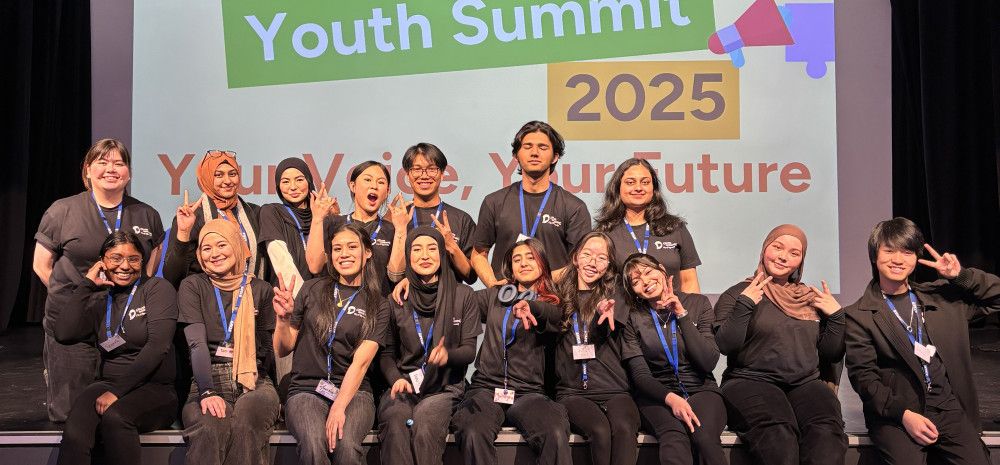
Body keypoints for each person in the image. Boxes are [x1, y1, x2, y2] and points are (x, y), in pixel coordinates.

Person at [845, 218, 1000, 465]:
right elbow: (864, 378)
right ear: (875, 256)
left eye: (907, 252)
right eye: (889, 250)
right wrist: (904, 415)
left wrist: (961, 276)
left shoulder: (941, 298)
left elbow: (996, 299)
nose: (898, 259)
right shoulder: (859, 314)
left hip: (948, 408)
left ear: (916, 257)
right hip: (897, 414)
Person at [34, 138, 164, 422]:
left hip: (125, 326)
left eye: (119, 163)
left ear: (128, 172)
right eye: (102, 162)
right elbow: (42, 266)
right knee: (72, 414)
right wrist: (75, 300)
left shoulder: (147, 214)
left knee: (116, 414)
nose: (111, 169)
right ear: (88, 170)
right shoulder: (62, 211)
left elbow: (150, 269)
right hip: (74, 326)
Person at [713, 224, 847, 465]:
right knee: (778, 435)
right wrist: (745, 305)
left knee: (827, 433)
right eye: (777, 247)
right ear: (765, 249)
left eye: (794, 253)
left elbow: (831, 353)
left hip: (805, 382)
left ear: (801, 262)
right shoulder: (738, 294)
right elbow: (725, 345)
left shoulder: (809, 298)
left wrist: (836, 317)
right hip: (750, 381)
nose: (784, 256)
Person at [52, 232, 177, 465]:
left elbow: (158, 346)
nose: (124, 266)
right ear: (102, 262)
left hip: (154, 388)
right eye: (115, 258)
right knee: (76, 431)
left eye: (133, 259)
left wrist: (117, 392)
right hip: (108, 384)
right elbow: (63, 334)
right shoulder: (101, 300)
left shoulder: (157, 289)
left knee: (116, 417)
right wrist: (86, 285)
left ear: (143, 261)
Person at [273, 223, 390, 465]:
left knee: (346, 447)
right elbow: (283, 348)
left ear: (367, 252)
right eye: (337, 248)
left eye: (351, 247)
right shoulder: (311, 289)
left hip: (355, 393)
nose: (343, 254)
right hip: (306, 390)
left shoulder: (378, 304)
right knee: (314, 444)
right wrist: (283, 320)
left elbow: (361, 362)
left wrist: (338, 407)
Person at [451, 238, 572, 465]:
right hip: (486, 389)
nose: (524, 263)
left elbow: (553, 316)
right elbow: (458, 300)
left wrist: (532, 306)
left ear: (542, 264)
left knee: (555, 432)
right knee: (473, 431)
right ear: (511, 269)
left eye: (530, 257)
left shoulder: (552, 302)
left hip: (528, 393)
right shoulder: (494, 296)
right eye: (517, 259)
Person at [178, 219, 279, 465]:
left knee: (246, 422)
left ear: (236, 245)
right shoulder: (193, 286)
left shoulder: (261, 289)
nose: (214, 254)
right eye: (206, 248)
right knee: (210, 426)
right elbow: (196, 344)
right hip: (207, 380)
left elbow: (268, 349)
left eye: (221, 245)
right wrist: (208, 391)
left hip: (254, 380)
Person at [377, 227, 481, 465]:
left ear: (442, 254)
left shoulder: (464, 296)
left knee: (424, 421)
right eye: (416, 249)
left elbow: (469, 350)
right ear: (408, 255)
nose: (425, 255)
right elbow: (387, 353)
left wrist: (448, 355)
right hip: (404, 385)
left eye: (432, 248)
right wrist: (395, 379)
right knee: (395, 420)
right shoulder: (396, 299)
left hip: (445, 387)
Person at [621, 253, 726, 465]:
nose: (646, 281)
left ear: (661, 269)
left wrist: (682, 314)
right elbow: (640, 376)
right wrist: (671, 399)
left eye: (649, 272)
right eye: (636, 280)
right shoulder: (633, 317)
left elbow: (708, 362)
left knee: (704, 437)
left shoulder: (697, 303)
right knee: (673, 437)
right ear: (633, 291)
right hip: (657, 396)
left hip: (701, 389)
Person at [551, 232, 640, 465]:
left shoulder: (617, 295)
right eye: (587, 254)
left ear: (609, 265)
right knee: (599, 431)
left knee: (624, 428)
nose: (593, 262)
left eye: (602, 257)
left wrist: (605, 311)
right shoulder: (557, 296)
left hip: (615, 389)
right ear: (575, 258)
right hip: (573, 392)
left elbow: (611, 319)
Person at [471, 121, 591, 287]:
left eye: (542, 147)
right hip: (505, 301)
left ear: (555, 156)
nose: (534, 153)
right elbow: (478, 254)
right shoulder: (494, 202)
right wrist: (494, 287)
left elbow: (580, 262)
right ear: (516, 155)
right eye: (527, 146)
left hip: (554, 303)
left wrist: (542, 285)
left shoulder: (573, 207)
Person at [258, 157, 320, 394]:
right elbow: (279, 258)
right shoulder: (271, 212)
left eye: (299, 179)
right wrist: (306, 303)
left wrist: (323, 217)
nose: (292, 186)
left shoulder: (322, 214)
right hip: (290, 306)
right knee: (289, 380)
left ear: (309, 181)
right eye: (285, 181)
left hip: (321, 311)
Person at [595, 158, 702, 292]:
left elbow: (689, 281)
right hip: (625, 312)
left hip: (671, 311)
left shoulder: (675, 228)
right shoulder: (604, 233)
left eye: (645, 182)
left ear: (653, 188)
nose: (638, 188)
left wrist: (688, 313)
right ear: (618, 188)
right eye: (630, 182)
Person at [163, 150, 263, 288]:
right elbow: (172, 277)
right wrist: (184, 232)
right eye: (218, 175)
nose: (227, 181)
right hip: (205, 300)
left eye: (232, 174)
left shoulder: (253, 212)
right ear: (207, 177)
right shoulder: (193, 216)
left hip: (249, 297)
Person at [305, 161, 404, 295]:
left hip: (379, 309)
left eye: (381, 182)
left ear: (387, 191)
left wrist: (401, 230)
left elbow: (395, 276)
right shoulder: (333, 223)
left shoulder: (392, 230)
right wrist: (317, 219)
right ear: (353, 186)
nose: (374, 186)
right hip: (337, 308)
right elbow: (314, 266)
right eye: (368, 180)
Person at [401, 143, 477, 284]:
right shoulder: (398, 218)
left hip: (449, 302)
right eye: (417, 169)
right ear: (407, 175)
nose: (424, 176)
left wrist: (451, 246)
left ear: (442, 174)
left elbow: (471, 276)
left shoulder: (461, 219)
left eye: (432, 169)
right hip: (405, 301)